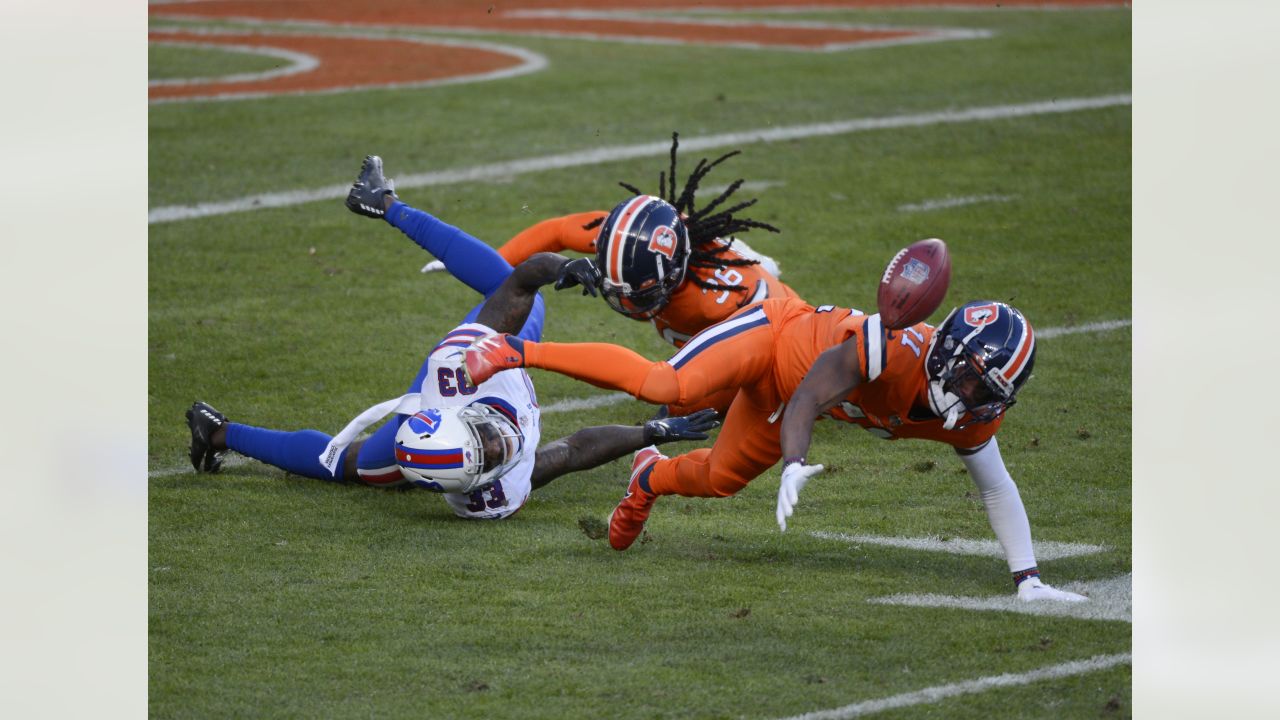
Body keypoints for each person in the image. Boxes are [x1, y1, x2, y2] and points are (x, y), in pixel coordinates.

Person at [185, 155, 716, 520]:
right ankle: (215, 432)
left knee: (517, 293)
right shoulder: (496, 491)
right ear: (476, 479)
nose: (501, 441)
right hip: (447, 412)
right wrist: (656, 430)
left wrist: (567, 268)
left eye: (482, 437)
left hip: (467, 375)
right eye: (490, 451)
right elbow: (573, 451)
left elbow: (521, 277)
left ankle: (385, 204)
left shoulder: (460, 372)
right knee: (352, 470)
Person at [464, 294, 1087, 601]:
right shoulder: (893, 349)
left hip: (781, 405)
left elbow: (996, 486)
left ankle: (647, 476)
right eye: (979, 379)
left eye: (993, 389)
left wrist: (1027, 578)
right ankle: (516, 350)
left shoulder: (968, 418)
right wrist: (794, 461)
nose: (980, 397)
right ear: (951, 355)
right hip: (773, 338)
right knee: (668, 383)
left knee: (718, 479)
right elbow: (814, 394)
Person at [428, 133, 799, 415]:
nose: (623, 299)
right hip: (730, 297)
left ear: (673, 274)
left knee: (685, 400)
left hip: (776, 331)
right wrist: (491, 266)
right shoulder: (629, 238)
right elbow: (556, 231)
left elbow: (740, 365)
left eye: (637, 290)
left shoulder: (718, 304)